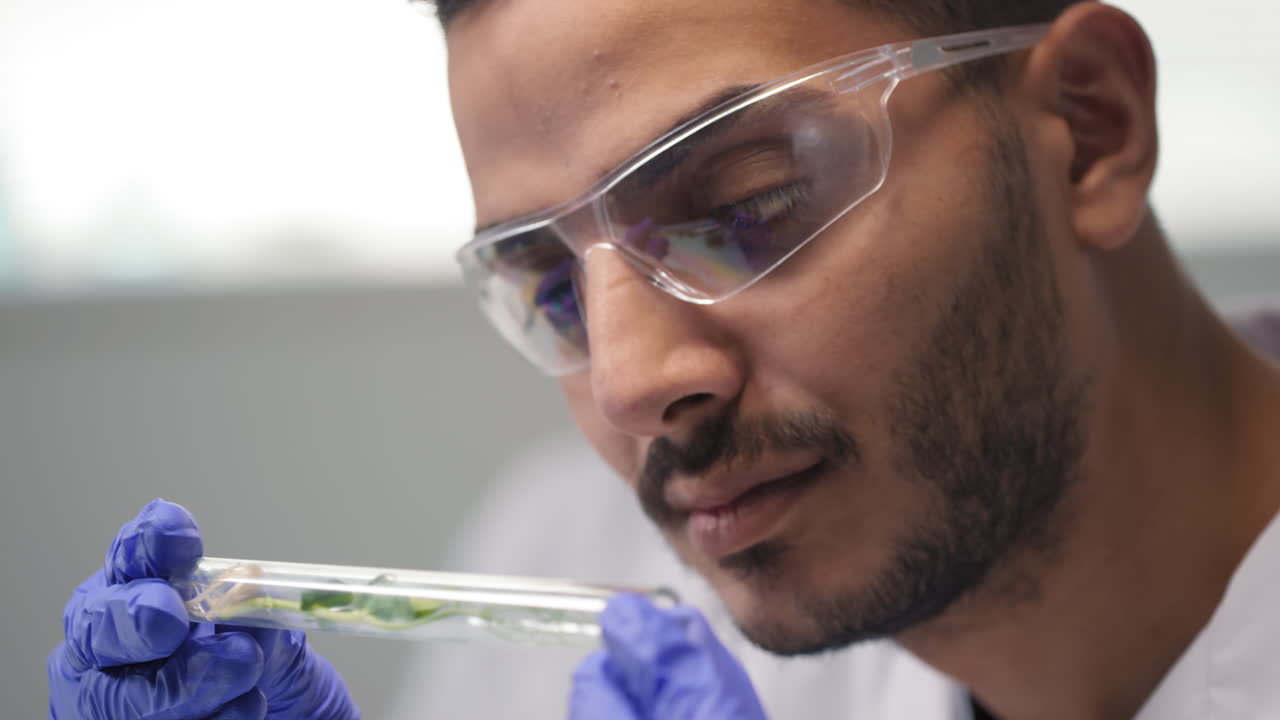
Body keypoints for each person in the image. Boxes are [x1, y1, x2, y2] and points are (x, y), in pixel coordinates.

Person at [48, 0, 1280, 718]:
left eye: (744, 202)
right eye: (548, 284)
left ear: (1087, 130)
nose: (631, 384)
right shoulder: (560, 565)